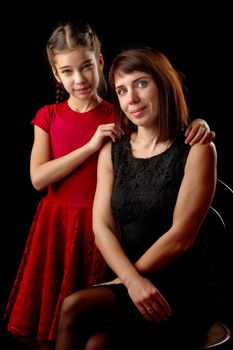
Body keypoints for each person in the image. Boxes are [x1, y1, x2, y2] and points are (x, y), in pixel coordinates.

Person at [4, 21, 214, 350]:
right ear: (56, 74)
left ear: (99, 63)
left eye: (87, 66)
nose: (79, 79)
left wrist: (198, 123)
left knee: (84, 316)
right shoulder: (59, 120)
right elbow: (38, 178)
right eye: (68, 71)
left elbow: (162, 129)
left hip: (126, 246)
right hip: (73, 228)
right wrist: (89, 147)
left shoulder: (117, 115)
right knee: (60, 324)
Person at [54, 47, 219, 350]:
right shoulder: (113, 150)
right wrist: (130, 280)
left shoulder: (197, 148)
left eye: (141, 83)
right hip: (129, 278)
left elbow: (181, 237)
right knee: (95, 345)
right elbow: (101, 227)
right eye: (121, 90)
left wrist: (128, 281)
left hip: (180, 286)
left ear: (163, 84)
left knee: (74, 306)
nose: (132, 99)